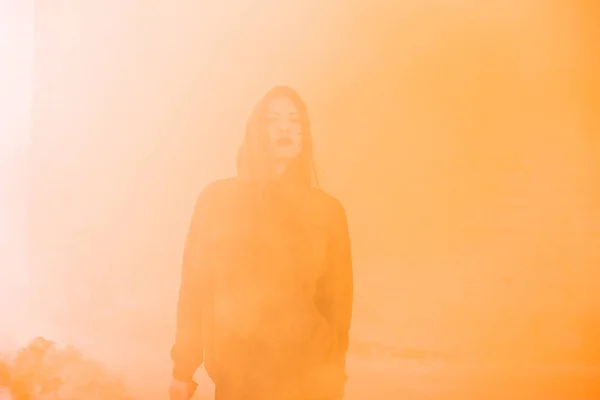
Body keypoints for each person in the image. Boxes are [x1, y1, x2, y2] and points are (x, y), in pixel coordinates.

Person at [168, 86, 353, 400]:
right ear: (256, 131)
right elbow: (195, 288)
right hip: (240, 379)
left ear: (304, 134)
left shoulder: (326, 211)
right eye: (273, 119)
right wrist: (183, 370)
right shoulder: (218, 201)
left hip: (308, 379)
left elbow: (337, 303)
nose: (285, 128)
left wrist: (333, 373)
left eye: (295, 121)